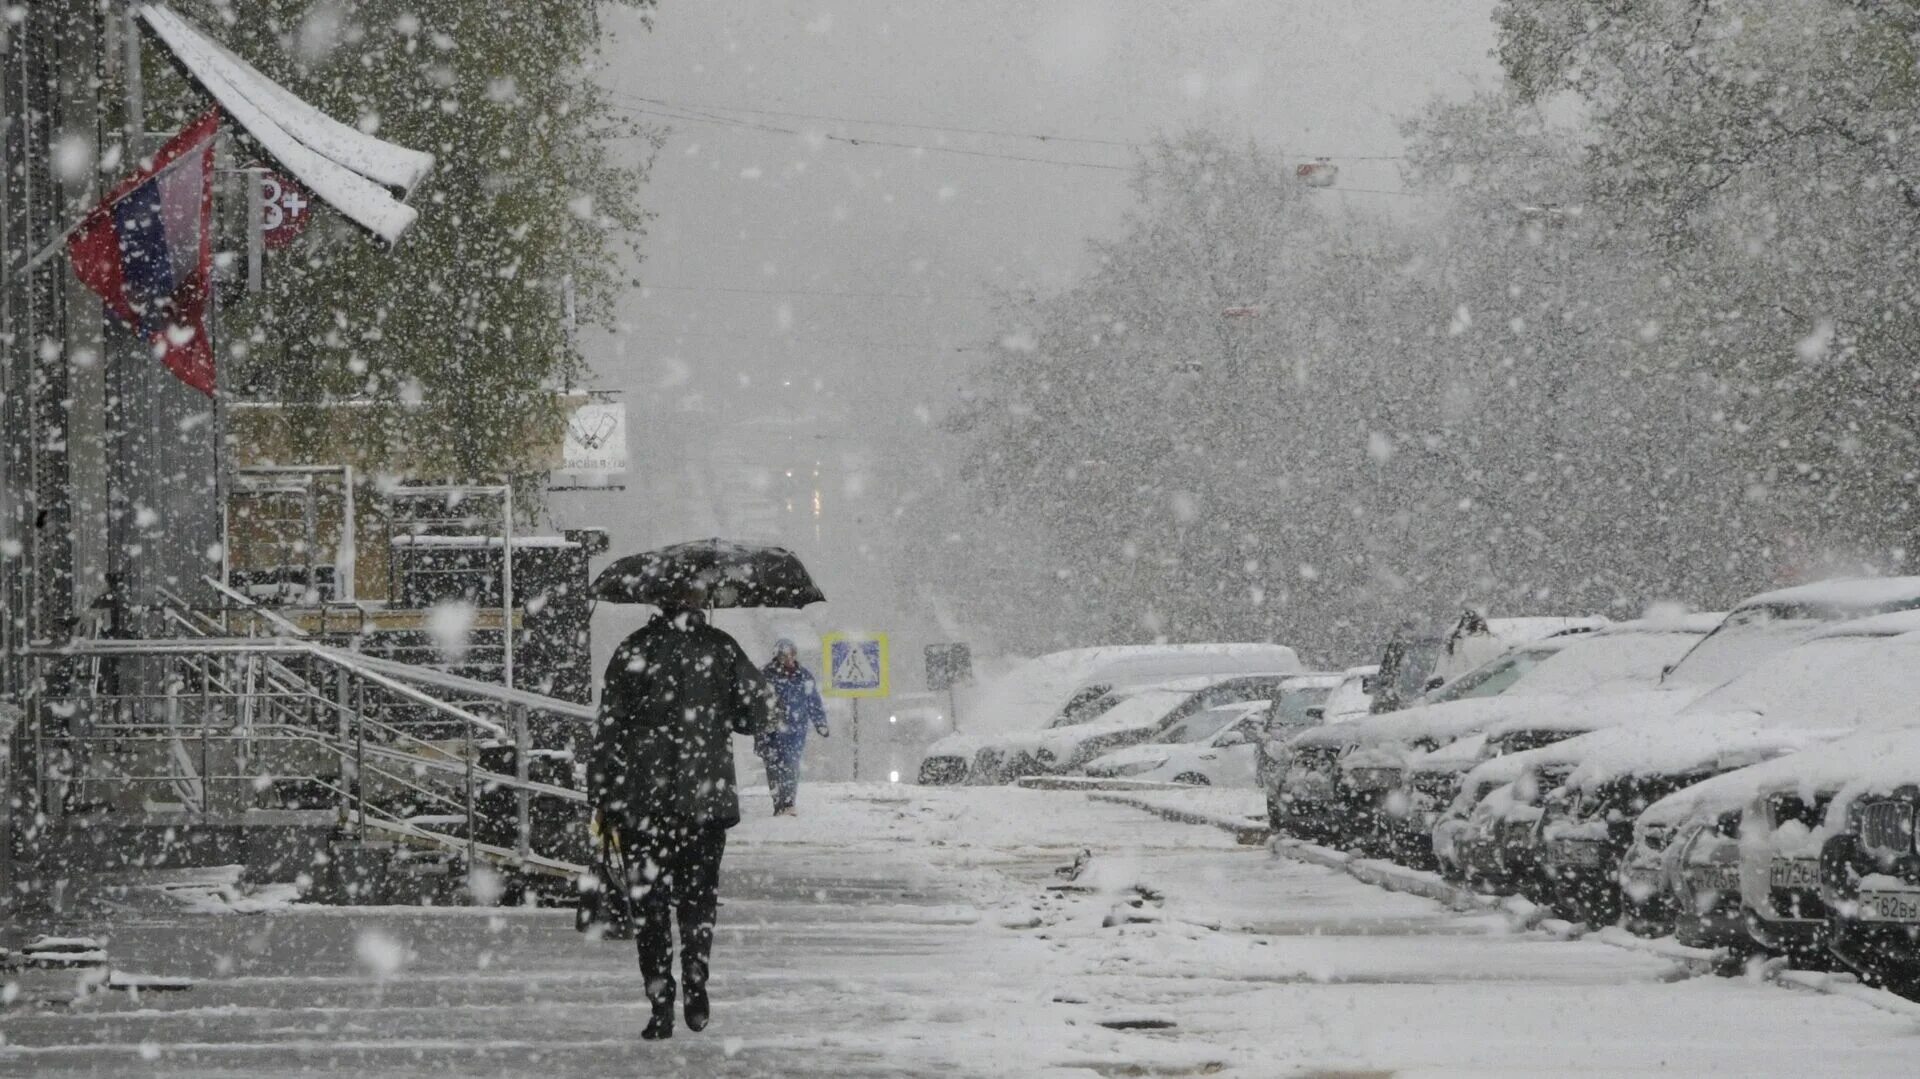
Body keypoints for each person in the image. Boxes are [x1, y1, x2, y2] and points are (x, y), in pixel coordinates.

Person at [588, 584, 776, 1041]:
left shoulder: (634, 648)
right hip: (703, 805)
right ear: (700, 601)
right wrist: (726, 710)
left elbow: (609, 726)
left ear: (658, 600)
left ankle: (659, 1004)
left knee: (648, 910)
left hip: (642, 806)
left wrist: (602, 795)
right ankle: (696, 979)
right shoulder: (721, 649)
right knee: (698, 903)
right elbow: (761, 712)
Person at [755, 638, 828, 816]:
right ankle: (778, 802)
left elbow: (813, 702)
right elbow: (755, 703)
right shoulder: (764, 675)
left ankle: (788, 803)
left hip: (795, 732)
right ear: (777, 656)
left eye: (791, 655)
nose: (788, 659)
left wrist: (820, 723)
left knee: (791, 766)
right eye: (784, 655)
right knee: (773, 767)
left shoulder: (803, 676)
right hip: (769, 731)